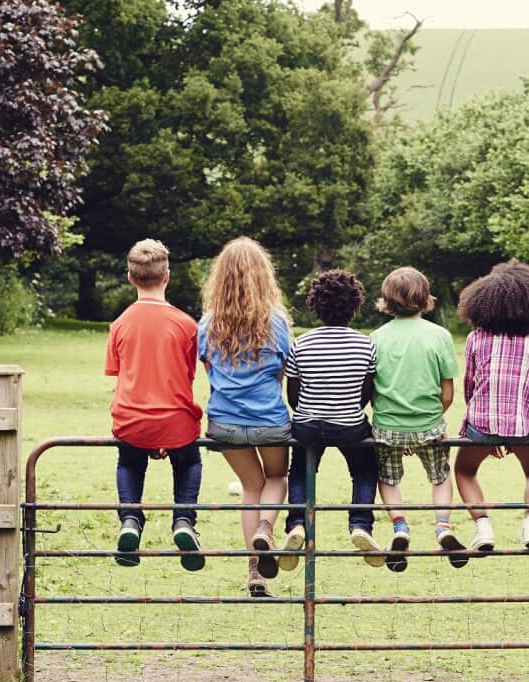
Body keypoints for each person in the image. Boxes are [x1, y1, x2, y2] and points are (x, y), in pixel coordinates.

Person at [198, 237, 293, 596]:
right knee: (277, 477)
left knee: (250, 486)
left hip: (224, 421)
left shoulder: (207, 324)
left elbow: (209, 370)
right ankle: (266, 530)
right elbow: (284, 370)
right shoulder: (277, 322)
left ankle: (255, 570)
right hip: (269, 418)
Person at [104, 239, 205, 571]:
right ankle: (184, 521)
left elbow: (117, 372)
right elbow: (188, 374)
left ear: (131, 278)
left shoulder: (120, 324)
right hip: (175, 419)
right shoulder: (187, 325)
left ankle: (130, 519)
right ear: (167, 276)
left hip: (131, 419)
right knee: (189, 462)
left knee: (129, 463)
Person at [452, 261, 529, 563]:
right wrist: (515, 425)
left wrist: (489, 428)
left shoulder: (476, 338)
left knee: (464, 470)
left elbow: (470, 385)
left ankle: (483, 527)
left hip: (481, 422)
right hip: (524, 422)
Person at [279, 270, 383, 571]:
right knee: (364, 470)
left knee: (299, 472)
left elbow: (293, 392)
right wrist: (348, 408)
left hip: (308, 424)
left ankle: (297, 524)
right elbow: (367, 388)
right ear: (355, 305)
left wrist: (310, 412)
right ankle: (361, 524)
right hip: (350, 423)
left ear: (315, 305)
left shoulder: (302, 344)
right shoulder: (366, 345)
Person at [369, 266, 462, 571]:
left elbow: (370, 391)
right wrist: (430, 418)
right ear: (425, 298)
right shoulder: (439, 336)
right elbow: (447, 393)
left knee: (388, 478)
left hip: (387, 427)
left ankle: (400, 527)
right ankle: (442, 526)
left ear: (386, 300)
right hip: (429, 424)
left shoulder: (376, 338)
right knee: (440, 476)